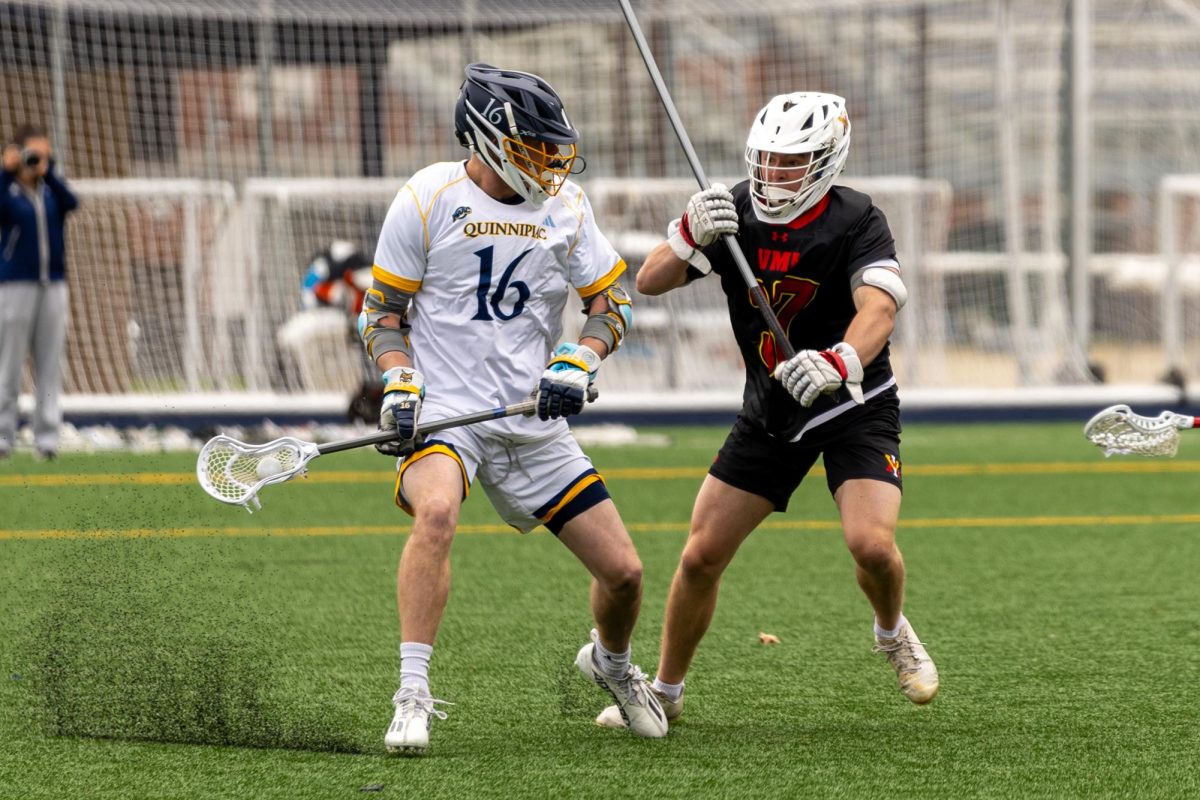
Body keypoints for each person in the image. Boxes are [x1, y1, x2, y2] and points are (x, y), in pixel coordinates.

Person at [597, 92, 938, 729]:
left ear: (827, 161)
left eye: (790, 163)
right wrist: (689, 233)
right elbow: (650, 280)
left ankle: (891, 631)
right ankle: (665, 693)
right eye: (767, 160)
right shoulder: (733, 210)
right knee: (700, 556)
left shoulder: (859, 218)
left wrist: (840, 361)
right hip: (771, 410)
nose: (772, 176)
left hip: (851, 403)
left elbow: (880, 311)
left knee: (871, 546)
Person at [359, 63, 665, 755]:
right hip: (446, 415)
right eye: (534, 147)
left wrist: (580, 358)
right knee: (436, 513)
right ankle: (412, 693)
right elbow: (381, 314)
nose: (550, 163)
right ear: (488, 137)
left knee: (624, 574)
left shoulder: (568, 207)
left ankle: (611, 666)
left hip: (531, 418)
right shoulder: (428, 196)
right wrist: (400, 381)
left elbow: (610, 304)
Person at [0, 124, 79, 460]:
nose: (37, 161)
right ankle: (3, 437)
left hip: (53, 286)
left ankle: (46, 439)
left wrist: (52, 171)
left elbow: (72, 203)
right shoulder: (8, 191)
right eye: (32, 154)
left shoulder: (50, 192)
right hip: (16, 285)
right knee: (9, 364)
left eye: (43, 154)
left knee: (49, 366)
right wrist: (6, 171)